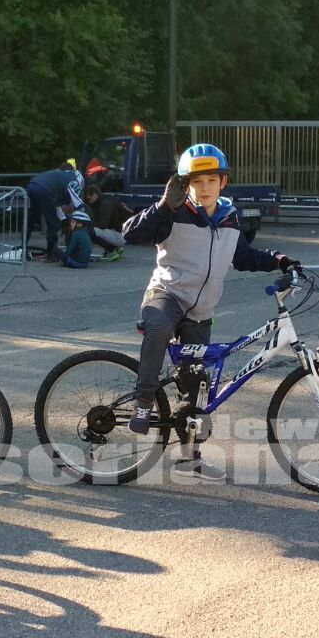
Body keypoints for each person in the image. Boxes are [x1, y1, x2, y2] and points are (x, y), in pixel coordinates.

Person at [121, 144, 299, 479]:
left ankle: (190, 459)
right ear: (184, 184)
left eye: (211, 180)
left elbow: (243, 257)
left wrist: (278, 260)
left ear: (223, 182)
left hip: (201, 310)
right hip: (167, 295)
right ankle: (143, 402)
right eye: (196, 181)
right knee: (158, 328)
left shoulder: (230, 217)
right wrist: (163, 206)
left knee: (197, 385)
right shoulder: (173, 212)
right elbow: (130, 233)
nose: (204, 188)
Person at [24, 161, 83, 263]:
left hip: (31, 185)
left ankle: (23, 250)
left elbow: (58, 195)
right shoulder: (74, 178)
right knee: (52, 223)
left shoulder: (56, 174)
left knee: (28, 221)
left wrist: (64, 205)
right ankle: (51, 253)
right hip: (45, 190)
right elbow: (75, 200)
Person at [82, 183, 131, 262]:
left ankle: (111, 251)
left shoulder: (105, 204)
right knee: (95, 229)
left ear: (94, 195)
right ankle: (117, 248)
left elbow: (103, 225)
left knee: (91, 231)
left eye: (89, 199)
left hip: (121, 235)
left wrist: (88, 223)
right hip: (123, 233)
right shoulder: (107, 199)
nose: (88, 201)